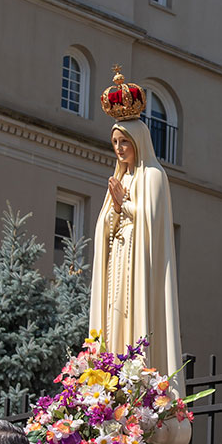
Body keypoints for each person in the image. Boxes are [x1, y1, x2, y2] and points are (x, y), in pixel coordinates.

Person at [89, 69, 183, 384]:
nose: (118, 148)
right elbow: (107, 227)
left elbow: (151, 224)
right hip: (118, 267)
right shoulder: (121, 178)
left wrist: (123, 205)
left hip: (140, 272)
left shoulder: (153, 176)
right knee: (114, 324)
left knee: (135, 323)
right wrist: (114, 209)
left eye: (124, 142)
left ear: (138, 141)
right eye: (114, 141)